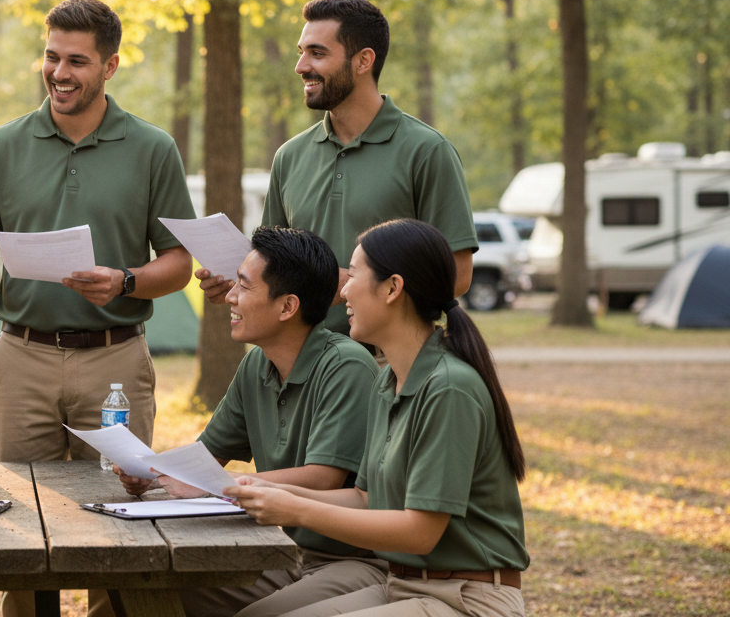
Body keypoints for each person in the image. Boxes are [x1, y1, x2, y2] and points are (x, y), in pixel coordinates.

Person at [0, 0, 196, 615]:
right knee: (21, 528)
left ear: (109, 66)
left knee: (124, 516)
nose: (59, 72)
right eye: (52, 57)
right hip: (22, 357)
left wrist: (126, 282)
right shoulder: (0, 146)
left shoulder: (152, 147)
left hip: (115, 363)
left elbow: (180, 263)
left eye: (76, 61)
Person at [224, 219, 529, 617]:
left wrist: (296, 510)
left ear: (392, 288)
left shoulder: (449, 387)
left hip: (468, 597)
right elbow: (366, 499)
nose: (344, 288)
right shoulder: (389, 380)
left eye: (355, 274)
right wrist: (269, 493)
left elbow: (420, 532)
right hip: (402, 586)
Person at [114, 227, 384, 617]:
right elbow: (207, 456)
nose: (230, 297)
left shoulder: (346, 366)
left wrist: (218, 485)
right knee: (146, 583)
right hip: (275, 547)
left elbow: (322, 477)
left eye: (243, 286)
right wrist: (153, 472)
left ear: (287, 307)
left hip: (345, 561)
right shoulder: (257, 364)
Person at [199, 0, 477, 335]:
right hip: (303, 360)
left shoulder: (428, 151)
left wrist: (352, 285)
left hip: (388, 364)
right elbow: (273, 267)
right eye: (300, 52)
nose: (301, 66)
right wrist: (240, 286)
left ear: (363, 61)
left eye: (317, 53)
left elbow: (458, 277)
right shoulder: (289, 156)